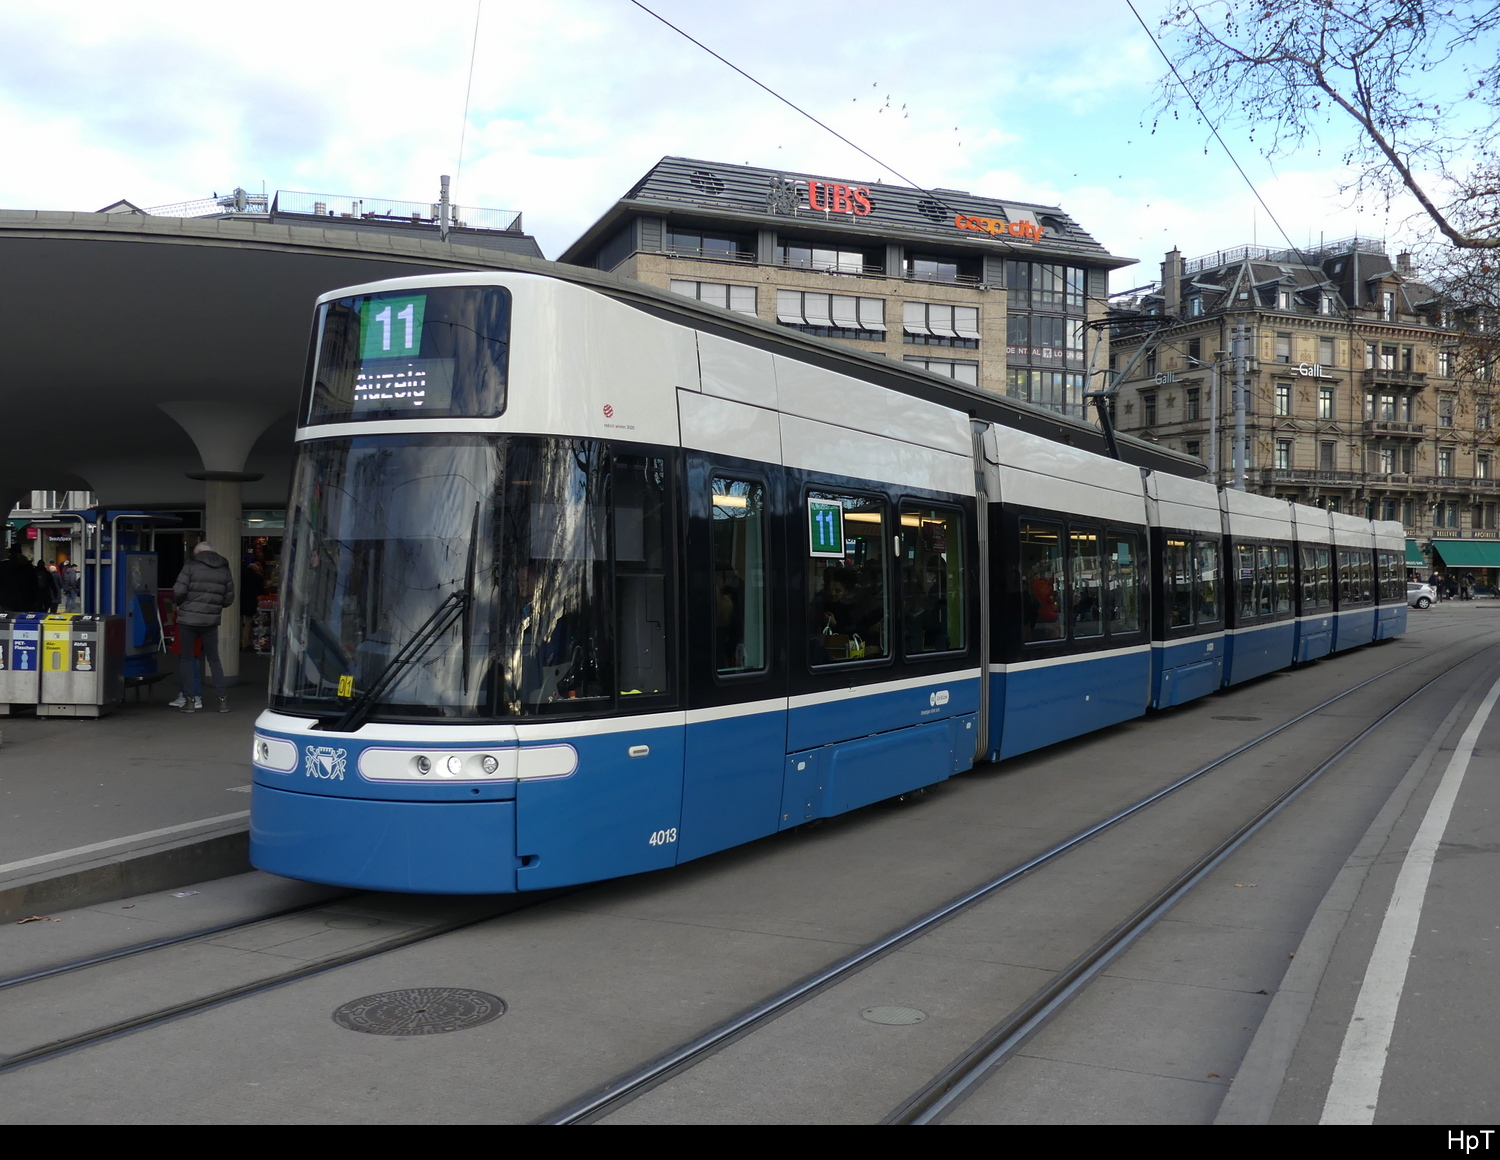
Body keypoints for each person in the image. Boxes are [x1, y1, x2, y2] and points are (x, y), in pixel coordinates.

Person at [170, 540, 235, 713]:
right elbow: (229, 598)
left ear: (198, 553)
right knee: (214, 659)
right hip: (210, 621)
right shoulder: (224, 568)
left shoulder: (190, 566)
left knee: (187, 658)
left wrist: (181, 604)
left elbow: (178, 591)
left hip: (188, 620)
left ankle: (190, 700)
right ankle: (222, 701)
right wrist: (213, 607)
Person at [0, 544, 43, 612]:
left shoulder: (3, 565)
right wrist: (35, 599)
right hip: (25, 600)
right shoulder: (27, 565)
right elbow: (34, 583)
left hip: (7, 600)